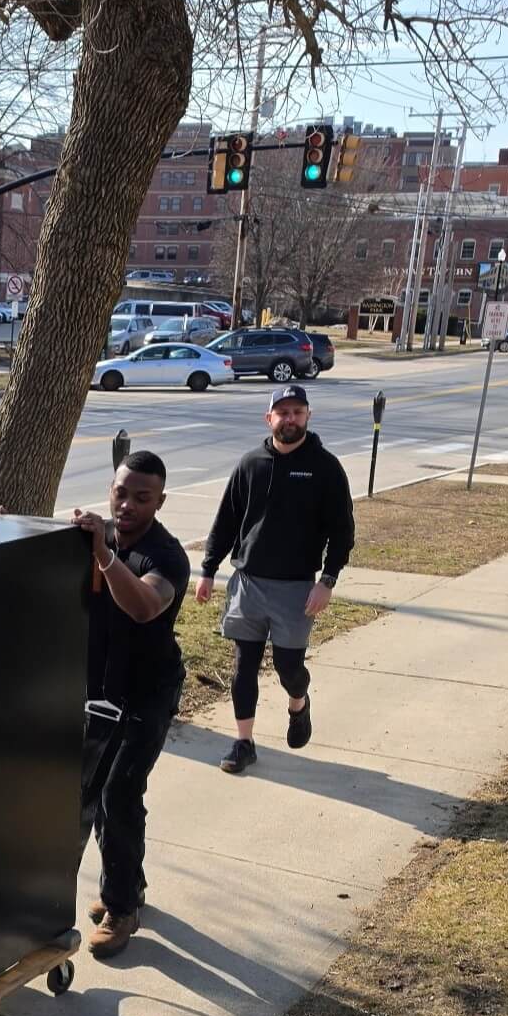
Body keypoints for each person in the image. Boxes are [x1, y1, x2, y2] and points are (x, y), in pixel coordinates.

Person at [194, 383, 354, 775]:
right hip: (248, 582)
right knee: (242, 666)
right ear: (269, 419)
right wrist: (208, 569)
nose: (290, 419)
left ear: (308, 417)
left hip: (297, 588)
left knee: (288, 668)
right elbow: (227, 520)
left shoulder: (325, 467)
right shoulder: (251, 464)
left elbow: (342, 531)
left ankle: (298, 703)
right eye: (282, 412)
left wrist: (327, 580)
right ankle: (243, 742)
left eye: (298, 412)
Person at [71, 452, 190, 956]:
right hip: (100, 692)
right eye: (121, 493)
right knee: (96, 792)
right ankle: (129, 885)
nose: (127, 505)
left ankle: (121, 908)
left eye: (142, 498)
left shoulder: (167, 556)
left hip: (148, 694)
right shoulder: (96, 539)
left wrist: (104, 555)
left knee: (119, 794)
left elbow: (143, 606)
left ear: (159, 502)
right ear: (111, 488)